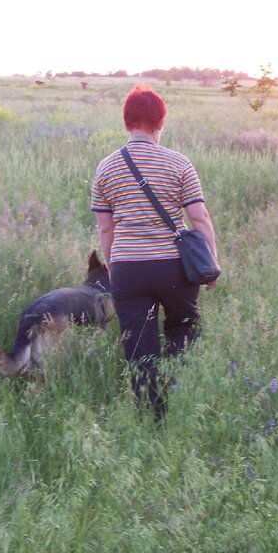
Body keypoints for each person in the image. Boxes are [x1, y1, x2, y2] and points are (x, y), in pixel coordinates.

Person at [90, 84, 219, 419]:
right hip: (175, 267)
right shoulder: (179, 163)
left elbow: (106, 229)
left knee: (138, 347)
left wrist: (113, 266)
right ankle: (174, 387)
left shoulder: (105, 168)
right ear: (161, 121)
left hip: (128, 269)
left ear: (126, 122)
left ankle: (152, 416)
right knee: (183, 326)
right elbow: (199, 217)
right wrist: (212, 263)